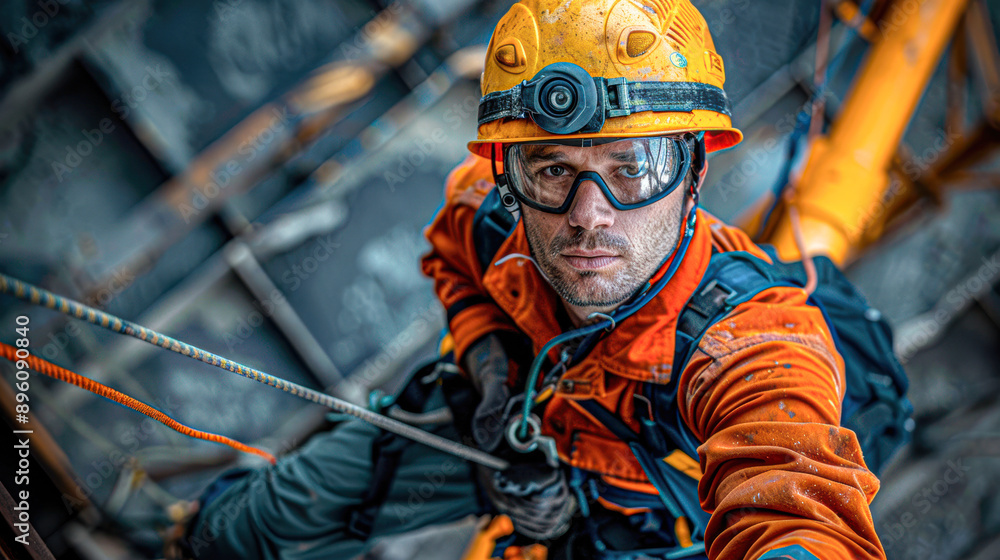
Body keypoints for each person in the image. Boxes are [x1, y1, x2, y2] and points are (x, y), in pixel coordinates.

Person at [185, 1, 886, 559]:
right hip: (512, 424)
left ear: (695, 173)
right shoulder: (486, 217)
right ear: (508, 177)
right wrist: (490, 371)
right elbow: (455, 267)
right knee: (247, 529)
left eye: (631, 170)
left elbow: (795, 495)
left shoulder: (752, 344)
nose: (587, 217)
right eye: (551, 170)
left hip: (643, 523)